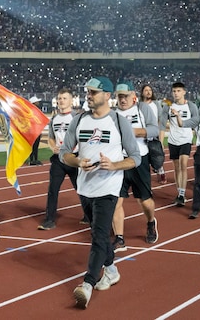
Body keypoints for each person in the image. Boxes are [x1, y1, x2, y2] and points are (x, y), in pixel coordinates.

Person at [60, 76, 140, 309]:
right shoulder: (79, 120)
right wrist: (77, 162)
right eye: (87, 92)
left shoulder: (118, 121)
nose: (89, 95)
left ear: (107, 95)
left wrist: (114, 166)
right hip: (84, 187)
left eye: (93, 92)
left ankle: (87, 284)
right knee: (100, 234)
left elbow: (135, 157)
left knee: (98, 235)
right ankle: (112, 270)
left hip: (109, 187)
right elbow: (64, 152)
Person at [112, 81, 159, 251]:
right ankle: (119, 238)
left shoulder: (142, 109)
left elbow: (155, 129)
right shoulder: (112, 114)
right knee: (116, 201)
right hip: (119, 162)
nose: (122, 100)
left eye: (125, 96)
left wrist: (135, 132)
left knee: (144, 201)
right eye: (119, 96)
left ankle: (150, 221)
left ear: (133, 97)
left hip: (139, 160)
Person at [37, 88, 87, 230]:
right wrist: (53, 148)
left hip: (73, 158)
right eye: (59, 98)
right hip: (58, 160)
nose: (61, 101)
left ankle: (88, 215)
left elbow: (82, 138)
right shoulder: (54, 119)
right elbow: (50, 138)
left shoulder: (77, 118)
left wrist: (72, 150)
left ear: (71, 101)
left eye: (64, 98)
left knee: (81, 188)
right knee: (53, 189)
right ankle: (49, 219)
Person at [162, 82, 199, 207]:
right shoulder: (168, 106)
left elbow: (196, 120)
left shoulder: (191, 106)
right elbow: (162, 123)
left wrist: (181, 121)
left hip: (186, 139)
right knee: (177, 167)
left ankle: (182, 195)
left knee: (184, 165)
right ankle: (179, 193)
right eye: (174, 91)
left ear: (184, 92)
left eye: (178, 91)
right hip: (173, 140)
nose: (176, 93)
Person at [140, 84, 167, 184]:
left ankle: (161, 171)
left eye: (150, 90)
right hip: (143, 134)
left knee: (157, 156)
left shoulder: (156, 104)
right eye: (146, 90)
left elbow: (160, 119)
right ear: (142, 92)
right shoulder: (140, 105)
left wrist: (160, 135)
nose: (148, 92)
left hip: (154, 135)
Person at [28, 96, 43, 166]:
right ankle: (32, 160)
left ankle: (35, 159)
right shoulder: (30, 112)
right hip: (33, 131)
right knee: (32, 146)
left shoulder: (37, 110)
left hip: (37, 130)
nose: (38, 103)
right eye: (37, 102)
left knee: (35, 146)